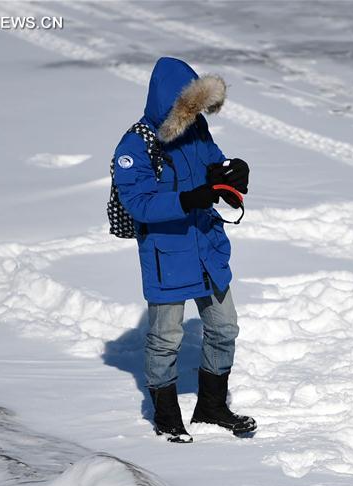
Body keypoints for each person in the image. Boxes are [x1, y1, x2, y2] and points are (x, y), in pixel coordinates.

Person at [113, 57, 256, 442]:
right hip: (168, 253)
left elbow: (213, 165)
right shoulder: (137, 145)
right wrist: (191, 198)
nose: (196, 116)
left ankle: (211, 407)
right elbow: (138, 203)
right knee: (165, 338)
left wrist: (231, 169)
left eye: (200, 110)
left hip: (206, 245)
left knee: (225, 328)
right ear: (172, 103)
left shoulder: (196, 131)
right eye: (190, 108)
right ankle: (166, 415)